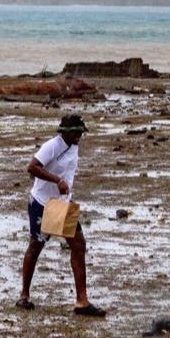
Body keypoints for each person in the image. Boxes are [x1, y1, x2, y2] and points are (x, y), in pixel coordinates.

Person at [16, 114, 106, 316]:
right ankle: (24, 295)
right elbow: (32, 167)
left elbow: (69, 174)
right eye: (77, 133)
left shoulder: (74, 146)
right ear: (66, 132)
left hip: (62, 205)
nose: (80, 137)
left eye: (81, 133)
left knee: (78, 244)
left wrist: (68, 193)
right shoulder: (52, 146)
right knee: (36, 246)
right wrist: (57, 181)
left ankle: (82, 301)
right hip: (42, 204)